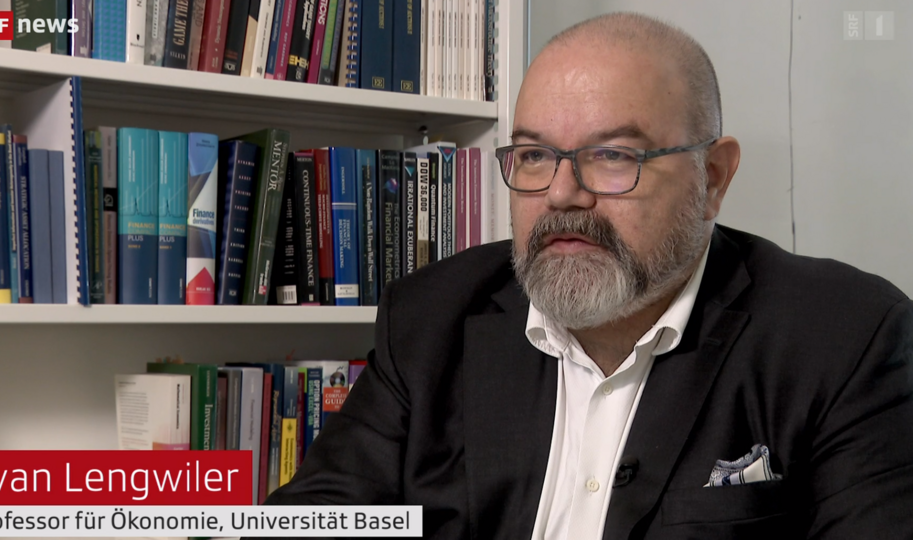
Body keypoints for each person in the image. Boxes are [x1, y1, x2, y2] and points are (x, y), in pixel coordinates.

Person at [263, 11, 913, 539]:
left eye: (611, 156)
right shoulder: (432, 316)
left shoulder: (845, 337)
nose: (560, 194)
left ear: (712, 178)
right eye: (534, 155)